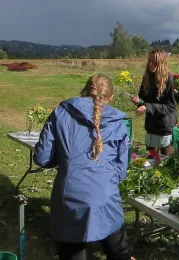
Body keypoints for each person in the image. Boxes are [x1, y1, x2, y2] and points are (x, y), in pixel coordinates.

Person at [33, 73, 131, 260]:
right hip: (106, 198)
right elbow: (120, 171)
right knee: (119, 253)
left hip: (69, 198)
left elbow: (42, 157)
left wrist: (66, 162)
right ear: (110, 98)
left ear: (84, 91)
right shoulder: (118, 123)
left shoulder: (61, 112)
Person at [131, 49, 178, 156]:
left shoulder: (170, 80)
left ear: (161, 63)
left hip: (165, 127)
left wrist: (147, 106)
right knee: (151, 160)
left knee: (166, 162)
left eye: (154, 62)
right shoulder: (147, 78)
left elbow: (170, 107)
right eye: (149, 61)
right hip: (151, 126)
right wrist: (138, 102)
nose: (150, 64)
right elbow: (143, 101)